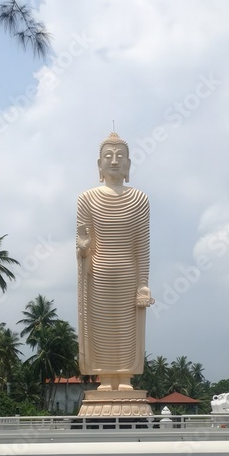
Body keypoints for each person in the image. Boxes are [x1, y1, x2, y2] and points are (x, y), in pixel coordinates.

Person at [77, 132, 153, 391]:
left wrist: (143, 284)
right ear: (98, 164)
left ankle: (125, 377)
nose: (114, 161)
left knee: (126, 330)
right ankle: (106, 378)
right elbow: (83, 240)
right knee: (101, 329)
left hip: (128, 276)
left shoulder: (140, 200)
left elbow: (142, 247)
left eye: (120, 157)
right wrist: (83, 249)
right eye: (107, 156)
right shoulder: (86, 199)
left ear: (129, 164)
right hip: (98, 275)